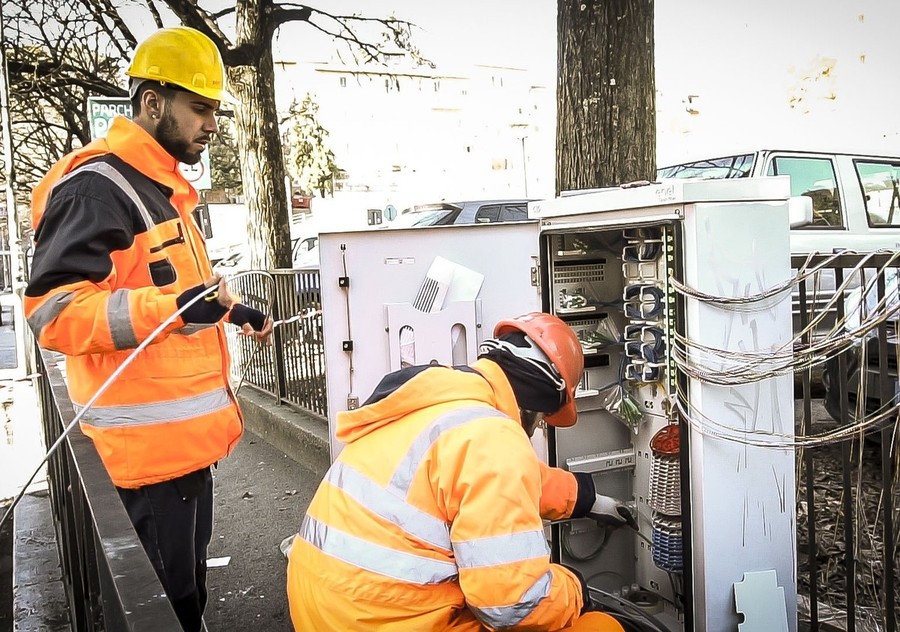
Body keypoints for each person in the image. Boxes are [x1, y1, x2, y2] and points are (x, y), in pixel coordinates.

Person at [24, 26, 272, 632]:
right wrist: (169, 311)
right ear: (152, 101)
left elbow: (169, 290)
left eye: (215, 110)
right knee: (167, 612)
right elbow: (53, 314)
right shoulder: (100, 189)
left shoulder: (162, 190)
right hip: (145, 464)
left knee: (185, 601)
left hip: (180, 455)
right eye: (200, 107)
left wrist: (230, 310)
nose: (212, 125)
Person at [287, 311, 634, 631]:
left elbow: (498, 482)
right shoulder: (493, 437)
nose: (537, 429)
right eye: (543, 420)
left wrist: (587, 499)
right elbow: (511, 605)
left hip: (323, 607)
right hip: (379, 621)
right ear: (537, 401)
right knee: (600, 627)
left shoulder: (441, 406)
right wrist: (574, 590)